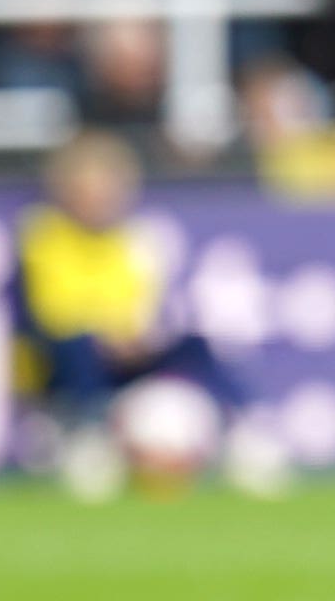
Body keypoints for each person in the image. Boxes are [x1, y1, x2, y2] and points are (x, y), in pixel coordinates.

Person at [16, 130, 289, 501]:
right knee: (76, 347)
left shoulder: (135, 239)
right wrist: (107, 334)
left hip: (125, 350)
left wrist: (136, 338)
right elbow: (51, 313)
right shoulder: (45, 236)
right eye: (88, 190)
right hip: (68, 356)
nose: (98, 200)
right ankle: (88, 436)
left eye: (107, 188)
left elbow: (144, 306)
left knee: (196, 345)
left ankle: (246, 432)